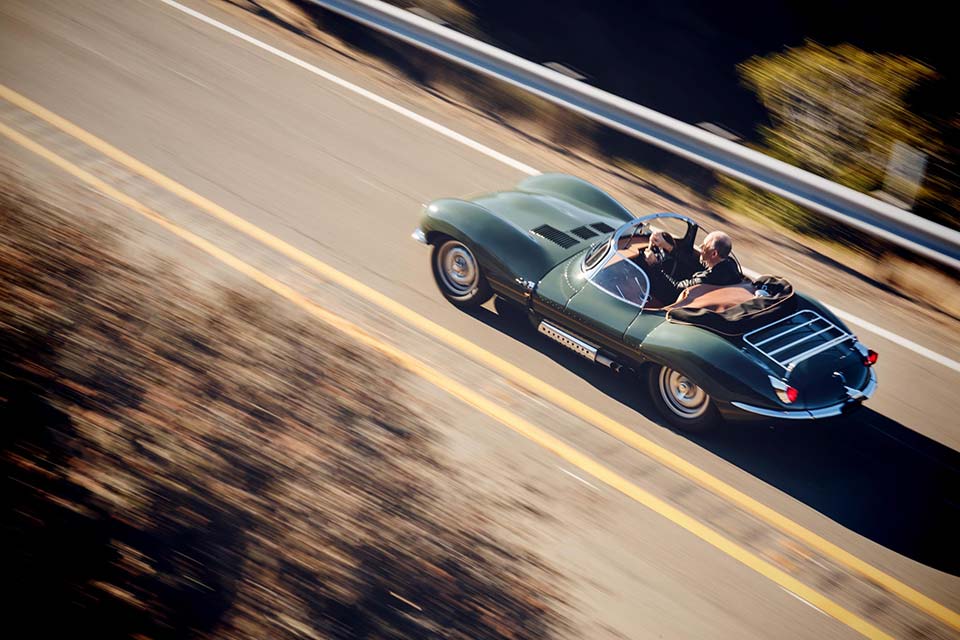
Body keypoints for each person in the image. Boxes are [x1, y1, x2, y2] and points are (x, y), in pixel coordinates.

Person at [648, 230, 741, 302]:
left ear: (714, 254)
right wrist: (669, 248)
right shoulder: (729, 265)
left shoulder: (705, 281)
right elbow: (697, 264)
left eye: (704, 246)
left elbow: (674, 288)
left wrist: (655, 265)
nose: (700, 247)